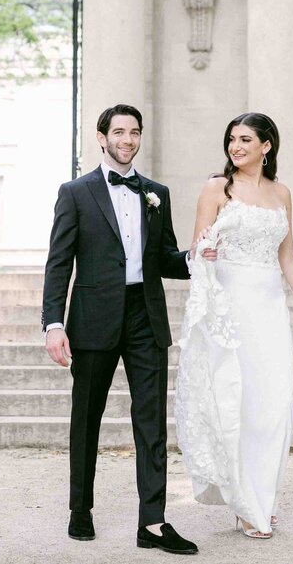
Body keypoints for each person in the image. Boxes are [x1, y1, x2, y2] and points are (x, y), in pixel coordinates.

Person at [41, 104, 199, 555]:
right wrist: (54, 322)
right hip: (92, 316)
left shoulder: (156, 193)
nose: (128, 140)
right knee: (86, 417)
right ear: (101, 136)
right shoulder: (75, 192)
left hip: (145, 316)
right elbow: (59, 263)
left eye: (135, 132)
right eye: (119, 132)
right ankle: (80, 509)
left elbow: (166, 257)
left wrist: (196, 257)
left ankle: (152, 522)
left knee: (151, 423)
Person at [174, 112, 293, 539]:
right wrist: (205, 252)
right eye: (231, 139)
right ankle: (245, 504)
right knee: (236, 402)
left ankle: (266, 496)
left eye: (245, 139)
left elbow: (288, 257)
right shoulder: (216, 188)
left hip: (269, 308)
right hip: (230, 306)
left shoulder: (282, 193)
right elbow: (197, 245)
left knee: (273, 404)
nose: (235, 147)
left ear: (267, 145)